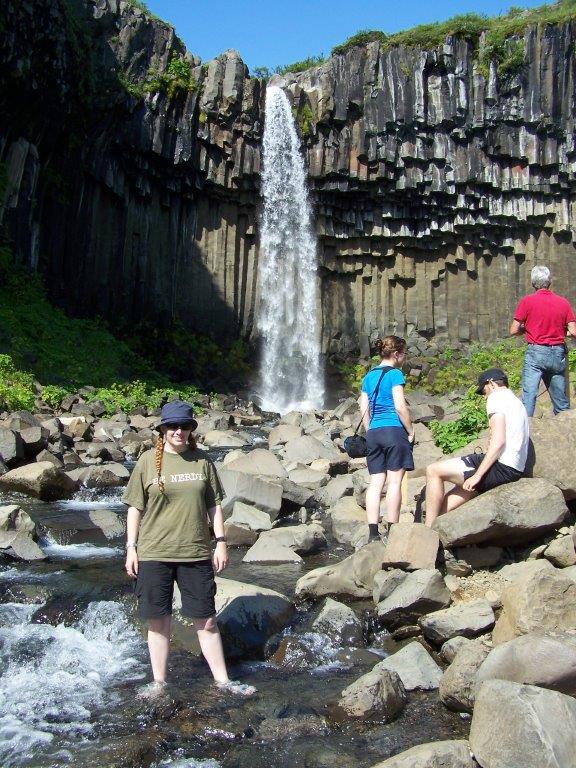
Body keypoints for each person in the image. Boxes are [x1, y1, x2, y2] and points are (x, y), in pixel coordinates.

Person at [123, 399, 256, 699]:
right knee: (158, 622)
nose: (178, 431)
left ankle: (223, 682)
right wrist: (131, 547)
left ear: (191, 429)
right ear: (163, 429)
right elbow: (134, 508)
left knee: (206, 620)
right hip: (153, 553)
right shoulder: (146, 462)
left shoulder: (203, 462)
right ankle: (159, 683)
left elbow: (214, 506)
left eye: (184, 426)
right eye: (172, 426)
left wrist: (220, 542)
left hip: (195, 553)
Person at [424, 368, 528, 527]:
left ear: (492, 383)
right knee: (462, 489)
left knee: (433, 470)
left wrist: (478, 475)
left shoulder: (496, 398)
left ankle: (426, 532)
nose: (484, 396)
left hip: (501, 467)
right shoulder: (516, 401)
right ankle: (437, 527)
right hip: (514, 470)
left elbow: (499, 441)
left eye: (483, 390)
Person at [359, 335, 415, 542]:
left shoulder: (368, 377)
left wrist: (370, 430)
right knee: (394, 482)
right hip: (393, 430)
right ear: (396, 354)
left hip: (373, 432)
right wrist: (410, 430)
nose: (405, 358)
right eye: (404, 354)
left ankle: (373, 532)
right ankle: (392, 531)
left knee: (375, 483)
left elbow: (363, 407)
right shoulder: (395, 374)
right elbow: (400, 406)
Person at [510, 265, 576, 416]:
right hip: (557, 353)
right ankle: (568, 432)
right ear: (549, 282)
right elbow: (573, 331)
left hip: (536, 352)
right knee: (561, 401)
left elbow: (513, 330)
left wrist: (526, 329)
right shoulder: (563, 302)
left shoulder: (527, 301)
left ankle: (526, 433)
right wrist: (560, 331)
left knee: (529, 397)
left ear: (533, 283)